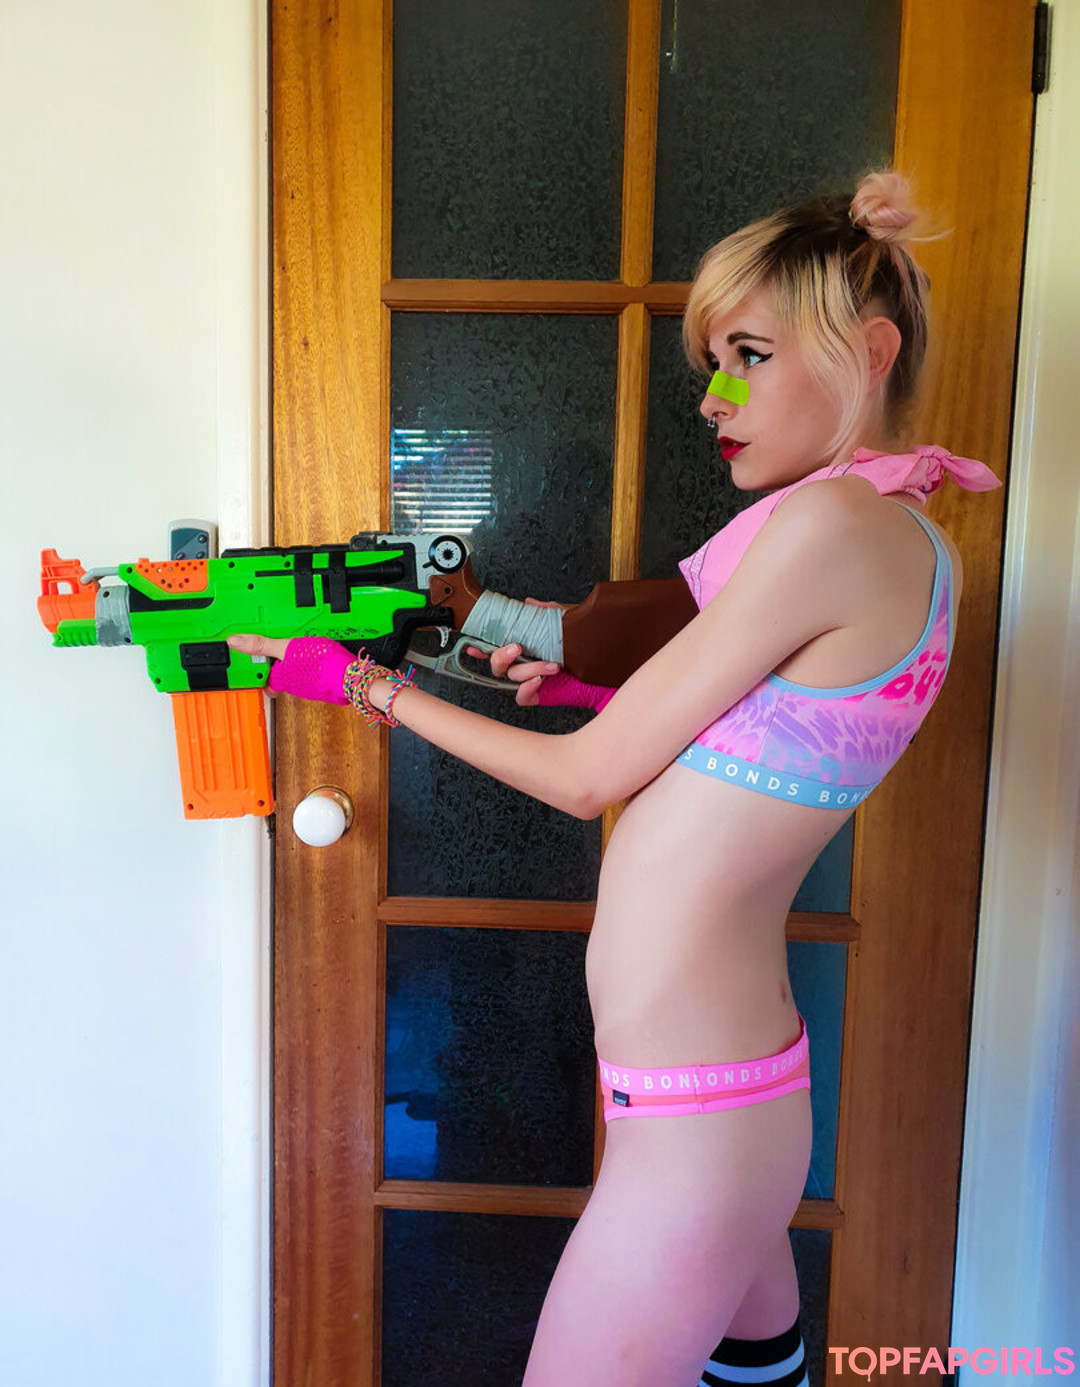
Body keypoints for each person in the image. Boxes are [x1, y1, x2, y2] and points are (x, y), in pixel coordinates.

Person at [228, 168, 1001, 1387]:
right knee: (758, 1373)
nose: (714, 397)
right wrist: (599, 694)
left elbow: (587, 783)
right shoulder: (898, 535)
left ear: (868, 350)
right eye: (713, 363)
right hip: (724, 1091)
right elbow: (776, 741)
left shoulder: (829, 530)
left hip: (701, 1119)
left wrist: (361, 687)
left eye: (749, 356)